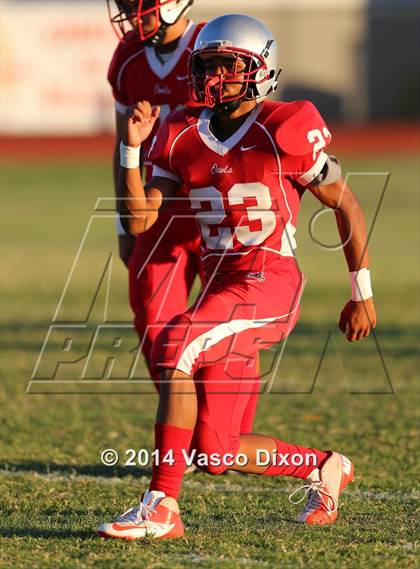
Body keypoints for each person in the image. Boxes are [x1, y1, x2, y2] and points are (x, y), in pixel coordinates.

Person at [97, 13, 377, 539]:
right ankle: (324, 466)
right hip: (224, 286)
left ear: (260, 70)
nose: (215, 77)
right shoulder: (180, 133)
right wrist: (132, 148)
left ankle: (161, 506)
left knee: (176, 343)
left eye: (229, 66)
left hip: (270, 280)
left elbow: (348, 206)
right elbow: (139, 219)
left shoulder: (285, 127)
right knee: (215, 451)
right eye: (207, 66)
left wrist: (361, 293)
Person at [107, 0, 261, 432]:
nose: (132, 16)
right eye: (124, 6)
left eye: (139, 5)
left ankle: (221, 432)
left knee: (228, 332)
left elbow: (256, 124)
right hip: (159, 213)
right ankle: (186, 430)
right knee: (156, 330)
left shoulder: (213, 44)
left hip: (219, 211)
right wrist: (124, 221)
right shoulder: (127, 60)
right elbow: (124, 147)